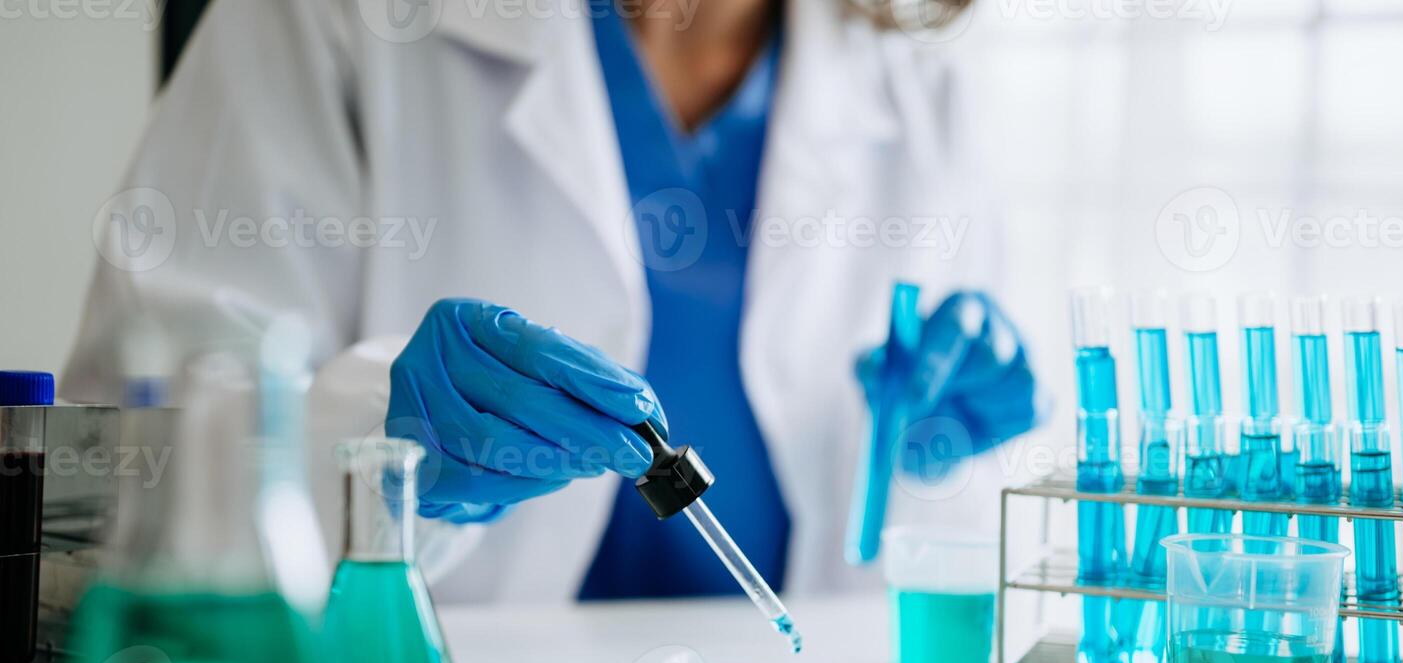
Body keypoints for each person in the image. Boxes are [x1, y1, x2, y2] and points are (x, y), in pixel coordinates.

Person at [65, 0, 1042, 603]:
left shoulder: (921, 87)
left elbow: (934, 556)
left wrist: (944, 451)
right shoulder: (329, 19)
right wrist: (380, 449)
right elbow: (133, 470)